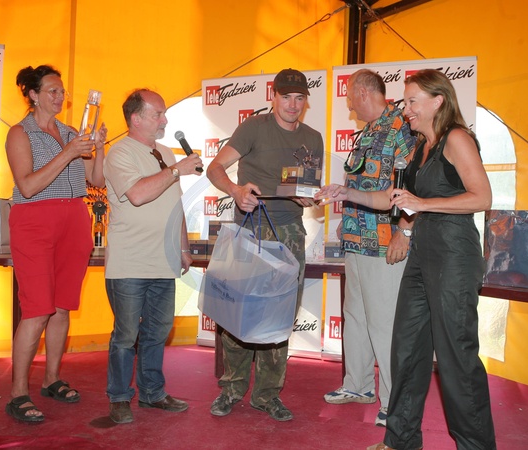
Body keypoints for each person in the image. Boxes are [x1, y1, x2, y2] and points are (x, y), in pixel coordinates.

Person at [316, 69, 496, 450]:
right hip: (421, 256)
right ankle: (400, 441)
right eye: (405, 101)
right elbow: (393, 198)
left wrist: (423, 204)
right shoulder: (420, 146)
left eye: (413, 101)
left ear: (438, 101)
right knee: (406, 349)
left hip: (453, 255)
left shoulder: (457, 138)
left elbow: (482, 197)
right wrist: (347, 193)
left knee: (456, 357)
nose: (406, 108)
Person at [206, 68, 324, 422]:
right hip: (249, 232)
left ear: (306, 101)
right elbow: (215, 168)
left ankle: (267, 395)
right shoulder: (253, 128)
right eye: (286, 97)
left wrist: (309, 197)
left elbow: (306, 187)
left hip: (289, 233)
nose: (293, 105)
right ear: (274, 97)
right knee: (237, 314)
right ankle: (232, 388)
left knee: (279, 318)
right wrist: (236, 190)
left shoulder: (313, 138)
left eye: (299, 98)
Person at [4, 64, 107, 423]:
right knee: (37, 309)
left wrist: (99, 148)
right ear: (33, 95)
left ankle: (51, 379)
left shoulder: (71, 132)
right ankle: (18, 393)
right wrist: (68, 153)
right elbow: (28, 185)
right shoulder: (20, 133)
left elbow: (97, 180)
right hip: (34, 220)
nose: (60, 96)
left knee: (62, 307)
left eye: (62, 91)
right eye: (52, 90)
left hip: (74, 219)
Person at [103, 89, 203, 424]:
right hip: (130, 263)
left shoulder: (166, 152)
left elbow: (175, 205)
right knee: (126, 335)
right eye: (158, 114)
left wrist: (184, 248)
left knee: (157, 332)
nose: (165, 120)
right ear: (136, 119)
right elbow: (137, 194)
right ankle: (119, 397)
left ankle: (152, 392)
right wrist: (176, 170)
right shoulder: (119, 153)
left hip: (164, 260)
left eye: (163, 113)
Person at [322, 69, 415, 428]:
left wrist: (404, 233)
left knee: (385, 324)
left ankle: (394, 402)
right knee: (356, 317)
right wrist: (343, 206)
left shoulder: (401, 127)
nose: (348, 104)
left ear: (362, 92)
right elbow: (362, 183)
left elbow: (412, 187)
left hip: (384, 244)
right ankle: (358, 385)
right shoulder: (370, 131)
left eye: (348, 96)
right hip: (356, 240)